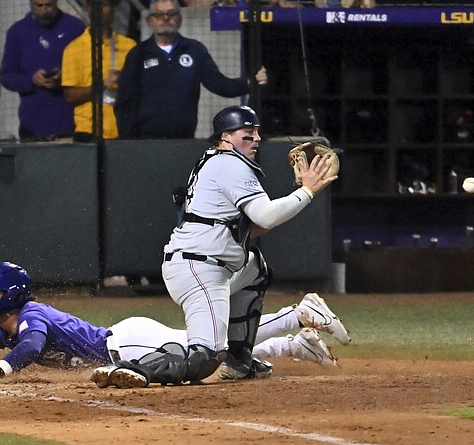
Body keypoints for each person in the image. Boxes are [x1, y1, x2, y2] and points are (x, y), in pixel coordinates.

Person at [92, 105, 338, 389]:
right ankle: (131, 369)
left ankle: (239, 362)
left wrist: (301, 195)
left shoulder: (218, 161)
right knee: (205, 357)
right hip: (200, 268)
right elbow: (266, 215)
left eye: (257, 133)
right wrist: (306, 192)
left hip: (208, 264)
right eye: (248, 134)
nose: (256, 139)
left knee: (255, 268)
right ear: (226, 137)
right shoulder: (230, 164)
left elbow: (253, 228)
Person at [0, 262, 348, 382]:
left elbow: (32, 350)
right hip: (127, 343)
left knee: (207, 350)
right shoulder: (5, 326)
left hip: (128, 347)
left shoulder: (31, 317)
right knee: (209, 354)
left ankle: (296, 313)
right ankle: (292, 344)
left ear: (12, 296)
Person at [114, 0, 267, 139]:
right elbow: (124, 100)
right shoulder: (138, 54)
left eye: (171, 14)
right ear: (150, 21)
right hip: (145, 140)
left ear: (180, 19)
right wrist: (128, 139)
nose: (166, 19)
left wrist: (249, 82)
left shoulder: (195, 50)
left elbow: (219, 84)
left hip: (183, 138)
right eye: (159, 15)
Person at [0, 0, 86, 142]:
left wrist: (65, 77)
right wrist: (32, 79)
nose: (45, 11)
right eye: (39, 5)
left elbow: (87, 70)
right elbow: (6, 75)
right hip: (32, 129)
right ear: (30, 1)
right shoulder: (18, 32)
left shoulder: (75, 28)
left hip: (69, 127)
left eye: (49, 5)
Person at [61, 0, 136, 141]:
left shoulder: (129, 46)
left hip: (122, 128)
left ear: (113, 9)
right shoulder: (73, 48)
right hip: (88, 130)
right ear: (87, 9)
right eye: (93, 5)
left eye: (104, 4)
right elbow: (70, 95)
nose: (99, 9)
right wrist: (103, 84)